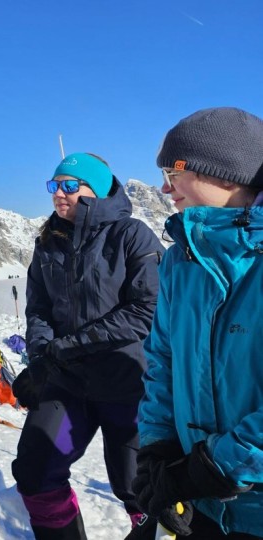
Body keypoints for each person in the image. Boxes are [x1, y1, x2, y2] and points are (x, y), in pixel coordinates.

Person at [10, 153, 164, 539]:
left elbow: (147, 310)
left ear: (95, 189)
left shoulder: (131, 235)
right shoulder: (49, 241)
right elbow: (39, 308)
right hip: (69, 387)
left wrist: (71, 345)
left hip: (127, 385)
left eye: (69, 186)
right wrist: (43, 354)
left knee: (137, 484)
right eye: (53, 186)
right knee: (37, 467)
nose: (58, 194)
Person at [127, 107, 263, 540]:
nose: (164, 187)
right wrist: (158, 446)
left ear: (225, 174)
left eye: (173, 171)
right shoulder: (179, 261)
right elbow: (163, 359)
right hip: (203, 504)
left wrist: (216, 466)